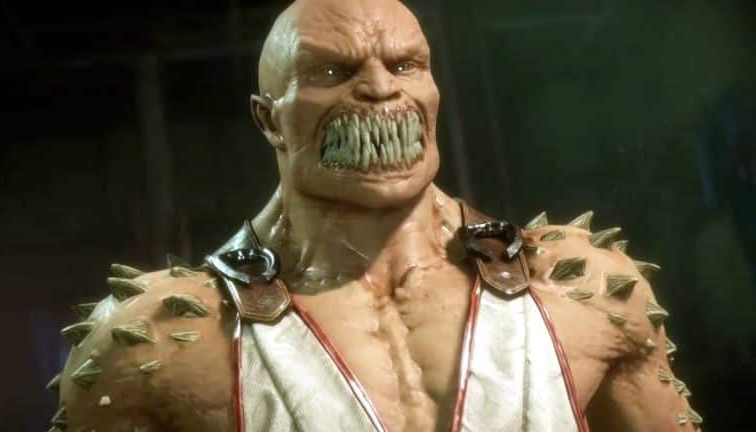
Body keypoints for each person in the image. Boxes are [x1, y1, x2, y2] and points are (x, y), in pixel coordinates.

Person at [46, 0, 703, 430]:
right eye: (333, 72)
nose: (381, 88)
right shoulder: (153, 344)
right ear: (269, 119)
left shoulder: (583, 290)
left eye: (405, 64)